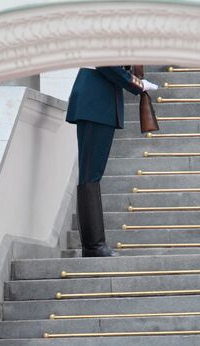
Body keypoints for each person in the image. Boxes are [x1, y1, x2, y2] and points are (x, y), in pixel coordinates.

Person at [65, 66, 152, 257]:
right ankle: (93, 245)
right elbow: (107, 64)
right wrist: (137, 84)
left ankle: (93, 245)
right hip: (96, 101)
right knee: (91, 174)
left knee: (91, 174)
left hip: (97, 101)